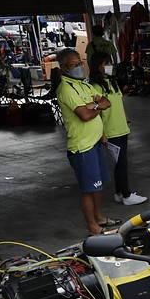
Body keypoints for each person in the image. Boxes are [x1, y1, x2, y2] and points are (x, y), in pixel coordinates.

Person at [54, 48, 117, 235]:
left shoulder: (84, 85)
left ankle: (99, 217)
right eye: (73, 65)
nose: (79, 67)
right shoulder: (66, 88)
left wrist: (93, 105)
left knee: (97, 185)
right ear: (64, 68)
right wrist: (97, 106)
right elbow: (84, 115)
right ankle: (93, 227)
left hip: (95, 143)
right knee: (88, 189)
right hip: (82, 147)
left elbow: (106, 101)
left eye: (80, 63)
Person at [88, 52, 146, 206]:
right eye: (106, 63)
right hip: (111, 130)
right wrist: (102, 134)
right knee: (121, 163)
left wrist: (127, 120)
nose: (110, 66)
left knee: (120, 162)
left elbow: (120, 104)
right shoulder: (95, 87)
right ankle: (127, 195)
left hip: (121, 127)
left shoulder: (113, 83)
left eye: (110, 63)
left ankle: (119, 193)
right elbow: (96, 113)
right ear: (98, 67)